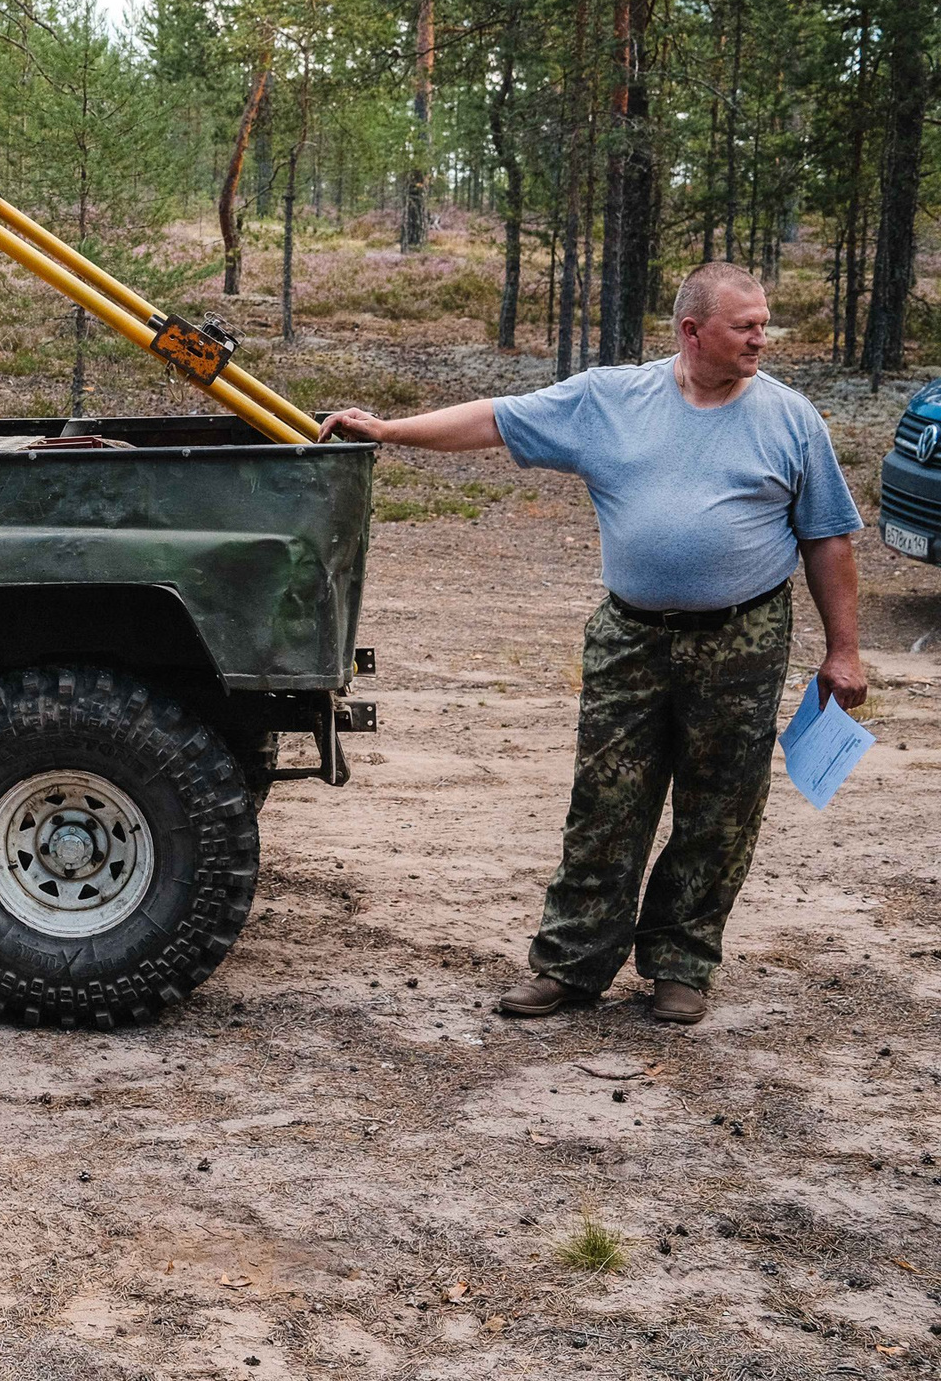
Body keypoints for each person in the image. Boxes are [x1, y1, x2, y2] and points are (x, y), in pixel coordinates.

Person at [320, 262, 865, 1027]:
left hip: (742, 637)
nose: (760, 338)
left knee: (721, 805)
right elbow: (496, 419)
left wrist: (844, 649)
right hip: (630, 638)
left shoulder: (792, 418)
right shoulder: (611, 399)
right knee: (605, 802)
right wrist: (386, 429)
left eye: (762, 323)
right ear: (691, 331)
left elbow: (829, 540)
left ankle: (680, 963)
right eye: (745, 325)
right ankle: (572, 965)